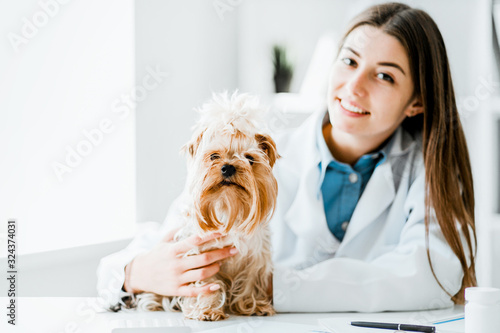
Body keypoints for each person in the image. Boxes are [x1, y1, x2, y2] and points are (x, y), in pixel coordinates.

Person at [97, 2, 476, 313]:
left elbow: (433, 274)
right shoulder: (258, 155)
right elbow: (170, 232)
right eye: (349, 61)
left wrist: (273, 283)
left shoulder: (428, 172)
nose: (354, 86)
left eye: (385, 76)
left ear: (418, 102)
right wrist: (136, 272)